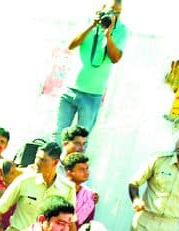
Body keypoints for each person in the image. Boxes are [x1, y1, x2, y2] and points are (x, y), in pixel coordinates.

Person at [54, 1, 126, 137]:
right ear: (103, 8)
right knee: (58, 134)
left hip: (93, 94)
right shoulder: (88, 21)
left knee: (81, 139)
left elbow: (115, 58)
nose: (114, 15)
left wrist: (108, 35)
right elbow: (71, 45)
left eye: (118, 12)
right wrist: (92, 25)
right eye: (111, 11)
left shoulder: (121, 30)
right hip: (70, 89)